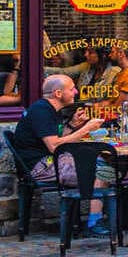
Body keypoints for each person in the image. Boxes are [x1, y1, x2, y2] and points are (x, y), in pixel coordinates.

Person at [11, 74, 109, 235]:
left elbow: (58, 138)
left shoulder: (49, 109)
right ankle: (94, 224)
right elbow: (54, 146)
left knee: (100, 161)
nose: (76, 92)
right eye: (71, 89)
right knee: (100, 170)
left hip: (48, 160)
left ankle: (89, 221)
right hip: (41, 166)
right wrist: (86, 129)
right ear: (58, 93)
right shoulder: (41, 111)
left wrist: (73, 125)